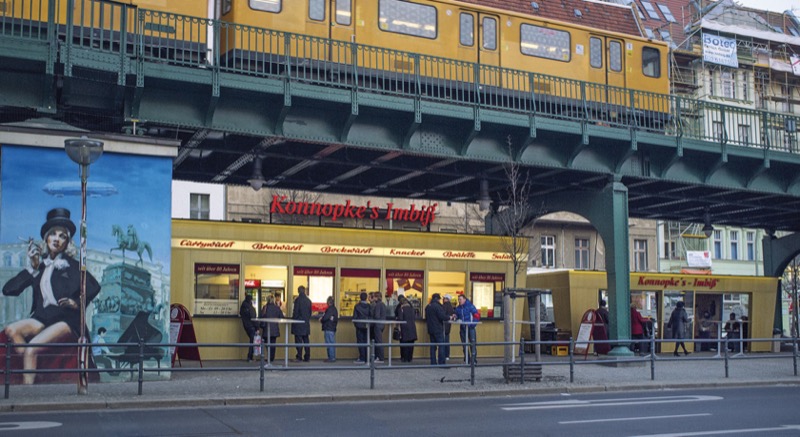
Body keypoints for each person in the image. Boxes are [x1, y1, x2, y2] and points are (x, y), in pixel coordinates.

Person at [3, 208, 102, 384]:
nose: (57, 239)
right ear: (46, 238)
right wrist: (32, 269)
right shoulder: (39, 265)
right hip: (43, 317)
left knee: (31, 350)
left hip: (66, 319)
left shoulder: (72, 265)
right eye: (53, 234)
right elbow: (8, 290)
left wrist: (76, 302)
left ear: (67, 242)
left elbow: (94, 287)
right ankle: (34, 369)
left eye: (62, 236)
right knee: (11, 330)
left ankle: (28, 391)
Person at [454, 294, 480, 363]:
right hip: (463, 327)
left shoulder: (470, 306)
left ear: (464, 299)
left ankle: (473, 359)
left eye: (460, 299)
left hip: (470, 328)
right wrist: (455, 317)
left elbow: (476, 315)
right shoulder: (458, 308)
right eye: (458, 299)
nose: (459, 301)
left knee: (472, 344)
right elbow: (457, 315)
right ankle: (467, 359)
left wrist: (472, 325)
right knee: (464, 345)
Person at [425, 293, 448, 366]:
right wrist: (449, 317)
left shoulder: (428, 306)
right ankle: (441, 362)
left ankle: (433, 362)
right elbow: (442, 317)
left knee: (433, 346)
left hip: (430, 328)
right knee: (441, 345)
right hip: (438, 328)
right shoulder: (437, 306)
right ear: (438, 299)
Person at [259, 295, 283, 364]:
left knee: (267, 343)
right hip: (275, 329)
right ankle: (271, 357)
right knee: (273, 343)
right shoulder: (277, 308)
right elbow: (281, 316)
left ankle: (269, 357)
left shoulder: (265, 307)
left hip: (266, 328)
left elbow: (261, 316)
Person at [291, 285, 312, 362]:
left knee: (298, 341)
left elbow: (295, 313)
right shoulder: (309, 301)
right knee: (306, 341)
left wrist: (294, 320)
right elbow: (310, 313)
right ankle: (307, 356)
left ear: (298, 291)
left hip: (298, 324)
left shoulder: (297, 300)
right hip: (306, 324)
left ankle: (299, 356)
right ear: (304, 291)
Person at [397, 296, 417, 362]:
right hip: (412, 327)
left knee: (404, 344)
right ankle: (410, 358)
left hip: (404, 328)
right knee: (411, 344)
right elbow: (414, 317)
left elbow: (400, 319)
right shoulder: (412, 309)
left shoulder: (401, 309)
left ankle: (405, 358)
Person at [352, 292, 371, 364]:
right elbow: (371, 315)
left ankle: (362, 357)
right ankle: (367, 357)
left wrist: (356, 324)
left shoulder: (357, 306)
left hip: (359, 326)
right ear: (366, 298)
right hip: (367, 326)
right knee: (367, 341)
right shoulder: (369, 306)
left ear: (360, 297)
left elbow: (355, 317)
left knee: (360, 342)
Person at [239, 294, 258, 361]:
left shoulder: (242, 306)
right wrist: (257, 328)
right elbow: (253, 318)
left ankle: (250, 357)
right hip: (251, 326)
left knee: (252, 341)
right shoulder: (250, 308)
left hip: (246, 326)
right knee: (252, 341)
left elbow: (241, 314)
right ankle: (250, 357)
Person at [370, 292, 387, 363]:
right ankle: (379, 357)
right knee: (379, 340)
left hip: (377, 324)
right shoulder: (383, 304)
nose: (373, 298)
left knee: (378, 341)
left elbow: (376, 316)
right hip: (382, 324)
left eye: (374, 297)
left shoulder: (377, 305)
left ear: (376, 297)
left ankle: (380, 357)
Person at [321, 296, 338, 362]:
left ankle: (331, 357)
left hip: (328, 327)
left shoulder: (330, 309)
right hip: (331, 327)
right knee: (330, 343)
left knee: (329, 343)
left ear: (328, 302)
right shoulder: (334, 309)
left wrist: (321, 319)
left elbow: (325, 318)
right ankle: (331, 357)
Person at [442, 294, 455, 361]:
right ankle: (447, 355)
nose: (443, 299)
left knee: (444, 341)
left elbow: (443, 315)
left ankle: (445, 355)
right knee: (447, 340)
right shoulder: (450, 306)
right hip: (448, 326)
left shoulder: (445, 305)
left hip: (444, 326)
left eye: (444, 298)